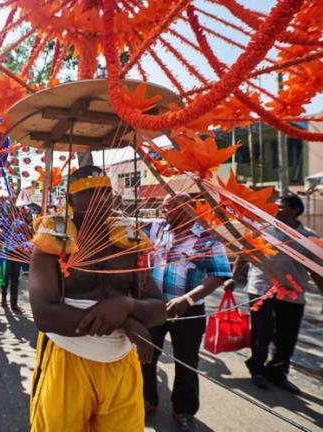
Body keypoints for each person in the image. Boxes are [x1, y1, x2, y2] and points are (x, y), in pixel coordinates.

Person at [29, 165, 166, 432]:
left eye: (105, 192)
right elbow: (44, 314)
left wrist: (126, 305)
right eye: (91, 192)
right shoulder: (52, 242)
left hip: (121, 365)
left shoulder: (130, 241)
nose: (101, 199)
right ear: (71, 200)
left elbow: (158, 310)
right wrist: (126, 322)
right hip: (67, 361)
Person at [142, 194, 232, 432]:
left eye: (168, 207)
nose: (163, 212)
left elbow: (219, 274)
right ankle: (147, 399)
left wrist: (188, 299)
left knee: (187, 362)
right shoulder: (157, 228)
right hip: (154, 306)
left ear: (185, 209)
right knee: (146, 356)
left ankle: (184, 410)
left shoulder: (208, 236)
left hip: (188, 311)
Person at [232, 194, 323, 394]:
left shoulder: (309, 238)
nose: (275, 210)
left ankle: (278, 372)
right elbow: (245, 253)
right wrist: (233, 277)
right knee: (261, 332)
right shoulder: (262, 230)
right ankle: (257, 369)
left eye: (280, 207)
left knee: (287, 336)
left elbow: (316, 270)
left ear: (295, 210)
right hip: (261, 288)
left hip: (293, 293)